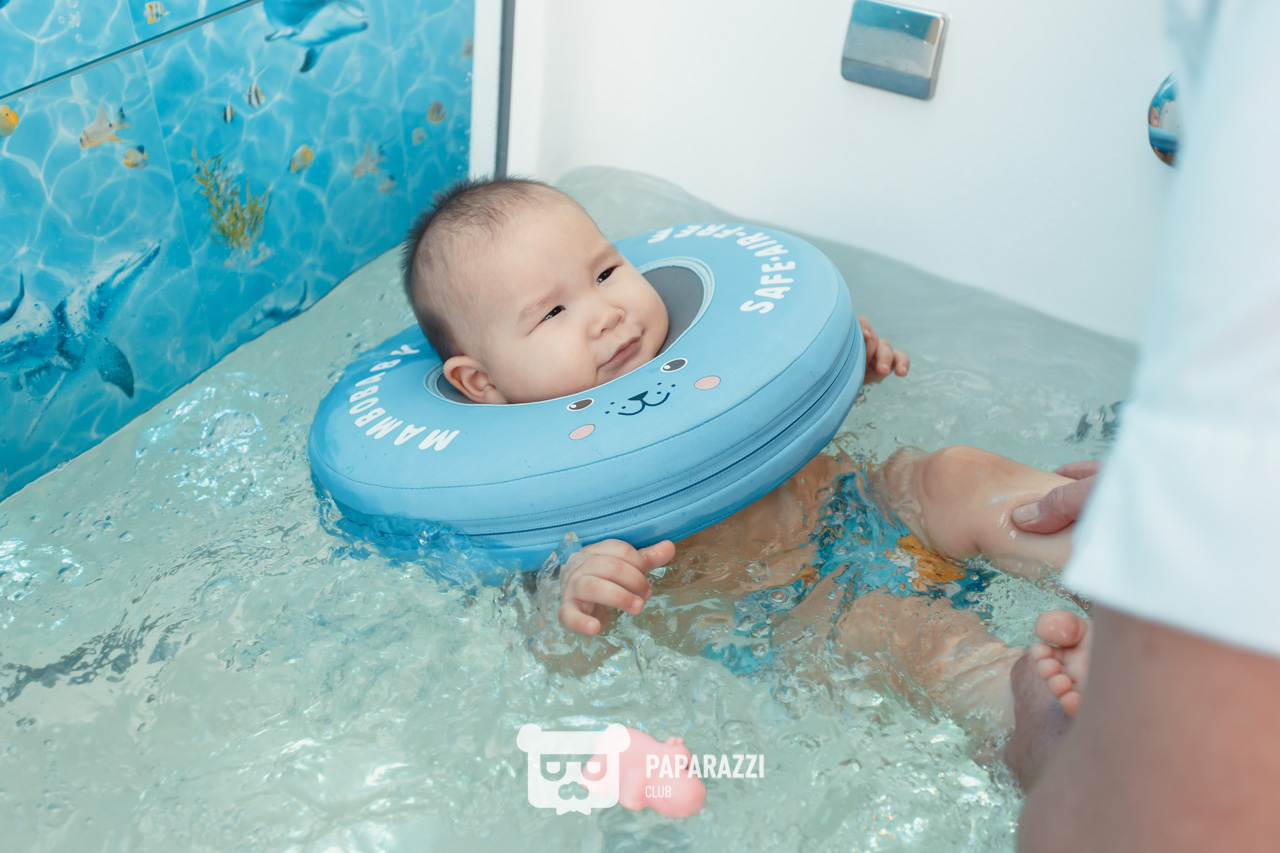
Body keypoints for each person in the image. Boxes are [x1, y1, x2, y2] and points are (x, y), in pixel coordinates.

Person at [401, 175, 1079, 780]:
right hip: (785, 607)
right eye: (553, 312)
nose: (605, 311)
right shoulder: (526, 498)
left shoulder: (707, 351)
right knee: (900, 629)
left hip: (861, 501)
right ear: (480, 382)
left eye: (606, 272)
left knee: (955, 473)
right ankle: (1028, 710)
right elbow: (549, 659)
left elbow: (772, 410)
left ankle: (1095, 554)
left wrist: (847, 374)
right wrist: (574, 596)